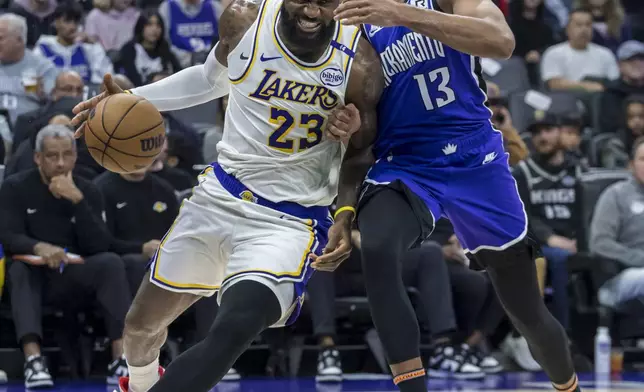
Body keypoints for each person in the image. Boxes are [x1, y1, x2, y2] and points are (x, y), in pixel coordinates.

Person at [71, 0, 382, 391]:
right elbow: (209, 80)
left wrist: (344, 212)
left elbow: (361, 152)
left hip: (288, 221)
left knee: (233, 329)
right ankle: (141, 383)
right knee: (140, 326)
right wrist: (131, 96)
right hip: (218, 197)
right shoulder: (245, 18)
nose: (312, 10)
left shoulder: (361, 58)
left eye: (324, 2)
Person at [313, 0, 582, 391]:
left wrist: (402, 14)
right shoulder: (355, 25)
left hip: (475, 159)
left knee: (526, 311)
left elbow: (502, 42)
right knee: (379, 246)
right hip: (407, 162)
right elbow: (361, 137)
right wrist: (348, 127)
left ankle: (568, 385)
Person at [0, 125, 131, 389]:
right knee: (18, 269)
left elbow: (100, 245)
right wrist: (39, 247)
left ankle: (122, 357)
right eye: (52, 156)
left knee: (111, 263)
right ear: (38, 157)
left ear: (75, 156)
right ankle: (34, 360)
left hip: (74, 273)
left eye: (67, 155)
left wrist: (78, 202)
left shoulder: (88, 190)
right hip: (35, 274)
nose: (60, 163)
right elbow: (9, 236)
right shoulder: (15, 187)